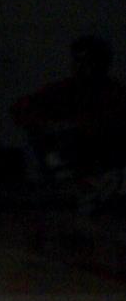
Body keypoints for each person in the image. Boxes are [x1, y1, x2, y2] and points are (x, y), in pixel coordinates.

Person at [11, 35, 126, 192]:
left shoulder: (115, 94)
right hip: (64, 159)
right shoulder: (63, 90)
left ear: (102, 64)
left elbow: (109, 126)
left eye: (88, 61)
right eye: (77, 60)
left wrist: (75, 128)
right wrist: (43, 125)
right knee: (33, 141)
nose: (80, 66)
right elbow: (22, 107)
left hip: (99, 159)